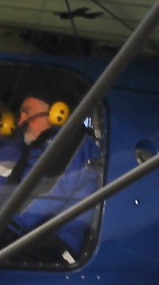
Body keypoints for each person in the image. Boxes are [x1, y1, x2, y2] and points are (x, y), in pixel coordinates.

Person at [5, 92, 101, 262]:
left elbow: (49, 191)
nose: (20, 122)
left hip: (57, 246)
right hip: (33, 238)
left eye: (27, 112)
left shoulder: (70, 141)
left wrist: (5, 228)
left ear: (57, 113)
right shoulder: (36, 149)